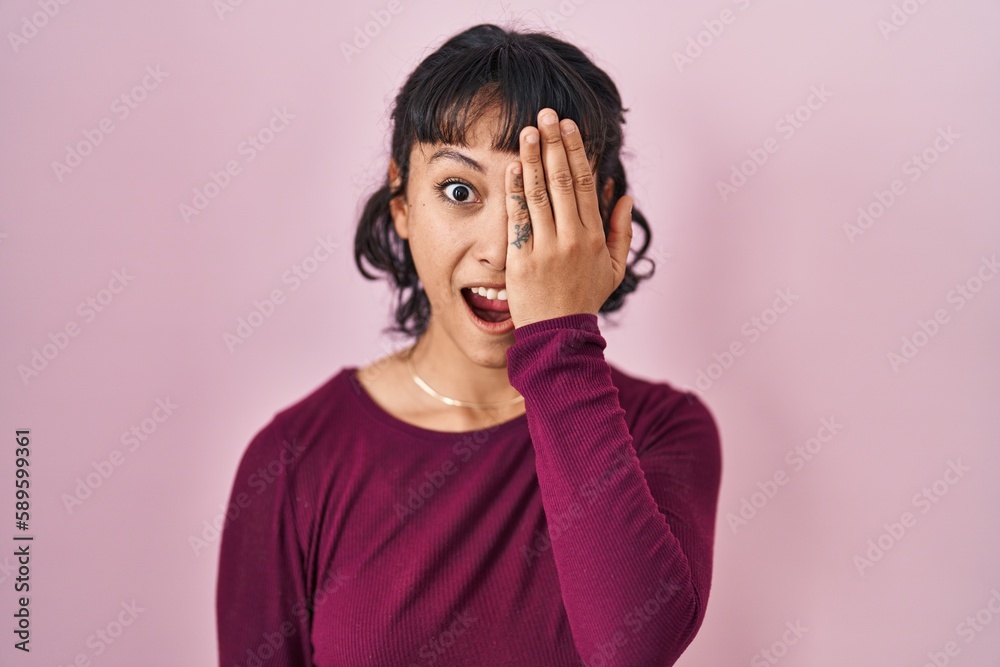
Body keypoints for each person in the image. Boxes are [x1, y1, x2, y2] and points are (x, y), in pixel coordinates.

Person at [216, 22, 722, 667]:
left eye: (544, 201)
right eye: (460, 192)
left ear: (599, 218)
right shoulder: (294, 458)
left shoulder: (665, 430)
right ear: (401, 202)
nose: (500, 253)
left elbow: (633, 648)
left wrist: (559, 342)